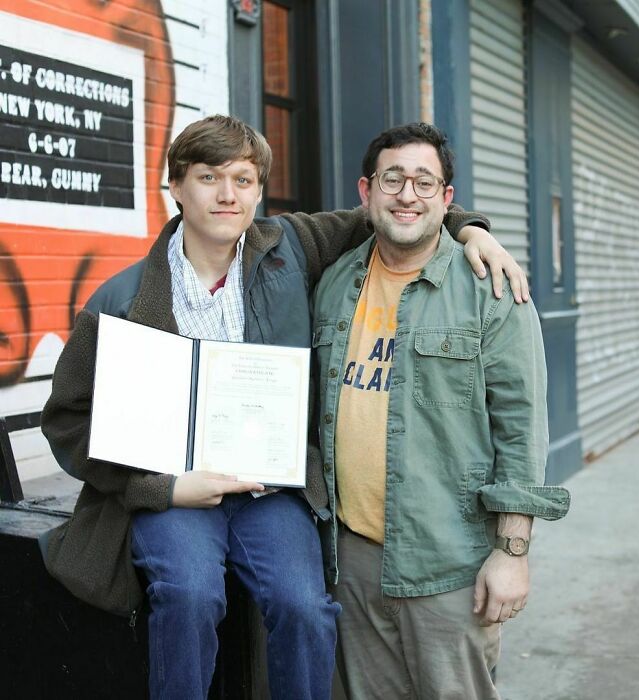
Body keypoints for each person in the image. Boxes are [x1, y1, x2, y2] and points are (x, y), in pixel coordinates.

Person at [40, 115, 526, 700]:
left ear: (259, 189)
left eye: (243, 179)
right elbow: (69, 419)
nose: (227, 195)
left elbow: (398, 210)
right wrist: (162, 490)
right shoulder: (119, 298)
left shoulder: (289, 248)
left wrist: (473, 230)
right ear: (175, 186)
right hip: (176, 492)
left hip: (269, 489)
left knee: (305, 606)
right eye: (208, 177)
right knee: (190, 594)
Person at [313, 122, 571, 700]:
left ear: (447, 199)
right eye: (393, 179)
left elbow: (522, 427)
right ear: (366, 190)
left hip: (448, 558)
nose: (408, 194)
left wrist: (512, 554)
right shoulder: (332, 285)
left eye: (425, 182)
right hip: (351, 556)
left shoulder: (492, 288)